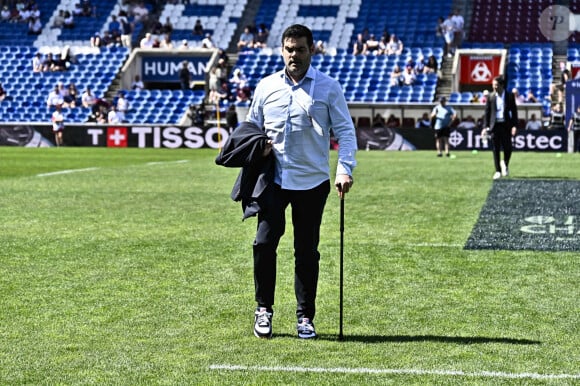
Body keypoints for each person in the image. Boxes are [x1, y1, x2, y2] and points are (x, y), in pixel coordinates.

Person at [240, 24, 357, 340]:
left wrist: (344, 169)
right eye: (289, 49)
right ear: (282, 50)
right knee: (264, 243)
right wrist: (257, 146)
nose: (294, 55)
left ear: (311, 50)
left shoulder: (328, 87)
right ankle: (263, 309)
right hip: (274, 180)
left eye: (300, 49)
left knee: (306, 251)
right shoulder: (266, 87)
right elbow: (252, 127)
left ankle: (305, 317)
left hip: (312, 181)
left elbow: (345, 132)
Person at [482, 75, 518, 179]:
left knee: (508, 148)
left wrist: (514, 125)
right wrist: (485, 127)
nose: (494, 87)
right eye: (493, 85)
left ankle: (505, 163)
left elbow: (514, 112)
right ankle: (497, 170)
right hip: (495, 125)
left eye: (496, 85)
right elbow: (487, 113)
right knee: (495, 148)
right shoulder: (490, 97)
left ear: (502, 85)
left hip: (506, 125)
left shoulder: (509, 96)